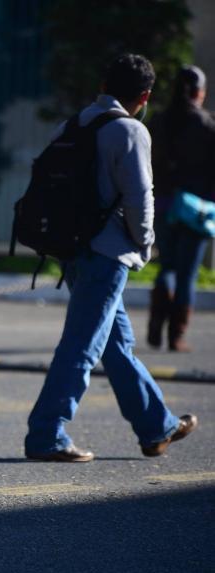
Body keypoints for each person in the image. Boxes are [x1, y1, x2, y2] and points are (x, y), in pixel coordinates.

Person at [24, 54, 198, 462]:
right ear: (145, 96)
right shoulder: (130, 131)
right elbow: (140, 197)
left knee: (117, 346)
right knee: (82, 346)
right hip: (108, 253)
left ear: (103, 85)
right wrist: (145, 244)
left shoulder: (72, 125)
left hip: (72, 250)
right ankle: (46, 434)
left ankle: (156, 426)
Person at [146, 65, 215, 352]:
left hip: (163, 204)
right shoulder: (207, 124)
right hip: (196, 208)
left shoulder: (159, 121)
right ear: (200, 92)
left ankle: (156, 321)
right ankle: (176, 335)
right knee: (187, 273)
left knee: (168, 266)